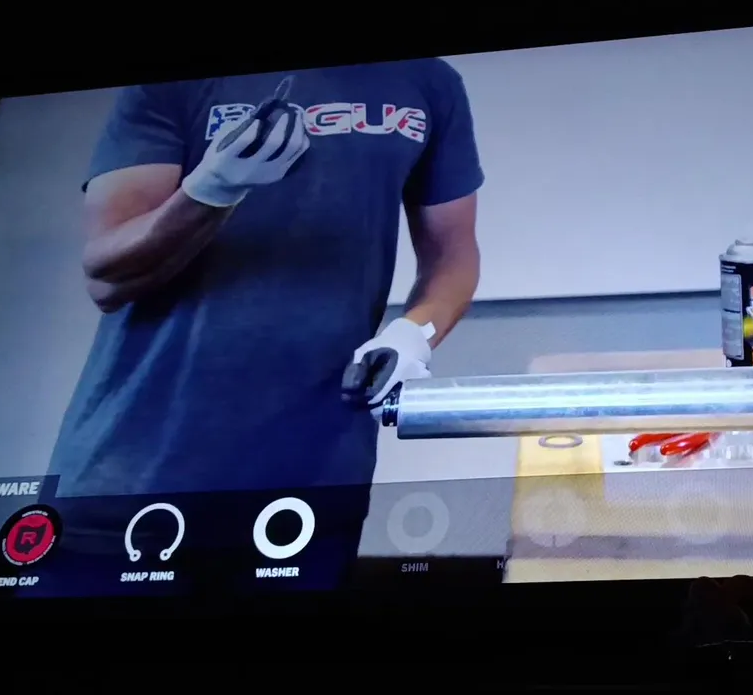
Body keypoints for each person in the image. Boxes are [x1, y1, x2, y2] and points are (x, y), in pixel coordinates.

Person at [26, 62, 483, 594]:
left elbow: (453, 255)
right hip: (131, 471)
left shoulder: (428, 83)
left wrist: (413, 335)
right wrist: (212, 188)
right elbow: (106, 278)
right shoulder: (175, 82)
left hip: (312, 481)